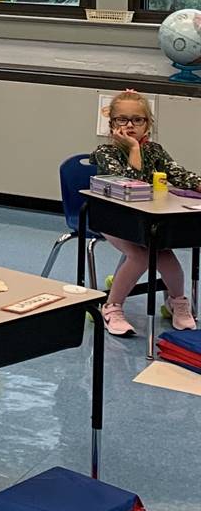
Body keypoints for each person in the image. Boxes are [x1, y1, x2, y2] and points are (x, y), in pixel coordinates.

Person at [90, 89, 199, 336]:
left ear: (147, 124)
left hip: (146, 219)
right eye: (122, 120)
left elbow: (179, 175)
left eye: (137, 120)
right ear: (112, 125)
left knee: (166, 255)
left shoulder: (156, 151)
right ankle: (112, 307)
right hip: (112, 217)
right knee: (140, 256)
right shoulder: (105, 153)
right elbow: (131, 184)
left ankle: (177, 302)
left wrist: (197, 183)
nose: (130, 125)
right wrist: (134, 149)